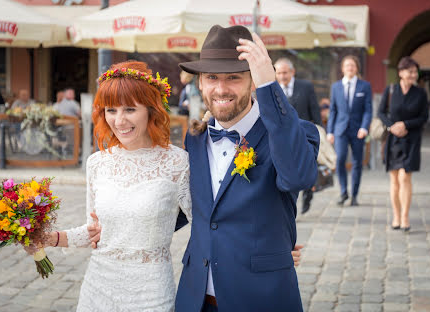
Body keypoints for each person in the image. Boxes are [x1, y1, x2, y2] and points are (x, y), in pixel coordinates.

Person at [25, 60, 193, 311]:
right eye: (111, 110)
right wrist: (47, 238)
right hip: (98, 289)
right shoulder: (97, 163)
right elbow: (94, 232)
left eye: (129, 109)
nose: (119, 120)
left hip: (151, 293)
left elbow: (204, 227)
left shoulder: (178, 161)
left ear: (151, 108)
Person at [174, 25, 319, 312]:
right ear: (200, 83)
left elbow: (298, 176)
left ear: (253, 82)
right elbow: (190, 209)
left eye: (233, 78)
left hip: (262, 298)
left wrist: (270, 86)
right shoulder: (195, 138)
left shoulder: (295, 132)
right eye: (211, 78)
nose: (221, 88)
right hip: (196, 299)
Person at [378, 57, 428, 231]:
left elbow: (424, 118)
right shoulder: (391, 90)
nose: (413, 75)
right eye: (410, 71)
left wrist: (405, 125)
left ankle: (405, 216)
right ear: (401, 72)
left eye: (415, 72)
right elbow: (381, 112)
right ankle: (396, 216)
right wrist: (392, 127)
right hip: (393, 140)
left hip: (412, 139)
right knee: (394, 179)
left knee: (405, 177)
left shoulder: (421, 93)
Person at [274, 57, 321, 214]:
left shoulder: (306, 87)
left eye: (285, 72)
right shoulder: (272, 90)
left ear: (292, 72)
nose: (282, 76)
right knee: (289, 174)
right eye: (279, 73)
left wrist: (320, 128)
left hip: (304, 136)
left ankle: (308, 193)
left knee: (306, 169)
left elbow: (314, 109)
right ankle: (291, 206)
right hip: (283, 140)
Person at [327, 55, 372, 206]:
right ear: (342, 69)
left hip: (358, 130)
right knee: (340, 160)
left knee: (357, 162)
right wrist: (330, 131)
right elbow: (332, 110)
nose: (350, 68)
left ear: (356, 68)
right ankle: (343, 192)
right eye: (347, 66)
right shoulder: (336, 87)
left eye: (352, 65)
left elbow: (368, 110)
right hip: (340, 130)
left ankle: (354, 195)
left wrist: (364, 127)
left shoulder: (364, 86)